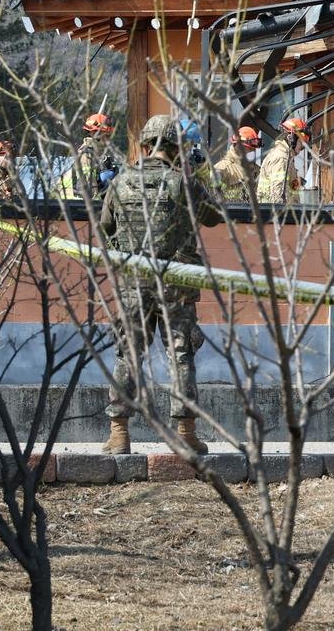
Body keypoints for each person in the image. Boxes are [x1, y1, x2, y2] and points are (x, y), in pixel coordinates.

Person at [98, 114, 222, 455]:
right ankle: (185, 433)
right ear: (175, 147)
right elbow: (214, 216)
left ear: (144, 144)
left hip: (132, 282)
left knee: (128, 353)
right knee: (180, 355)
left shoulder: (120, 182)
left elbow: (105, 226)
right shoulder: (183, 182)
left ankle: (119, 434)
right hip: (176, 283)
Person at [61, 112, 119, 199]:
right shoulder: (86, 154)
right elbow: (90, 192)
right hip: (71, 204)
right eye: (106, 134)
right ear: (96, 134)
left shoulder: (100, 153)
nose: (108, 138)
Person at [258, 117, 309, 204]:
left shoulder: (286, 156)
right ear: (292, 138)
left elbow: (287, 188)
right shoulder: (281, 158)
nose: (302, 148)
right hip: (275, 214)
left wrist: (295, 184)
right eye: (301, 142)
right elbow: (278, 196)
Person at [212, 126, 262, 200]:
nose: (252, 151)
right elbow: (214, 199)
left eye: (254, 149)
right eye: (249, 148)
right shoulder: (221, 169)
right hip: (232, 211)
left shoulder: (257, 170)